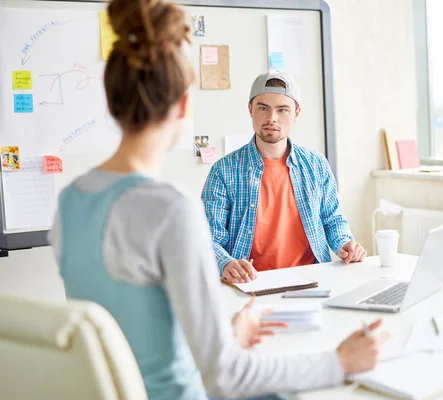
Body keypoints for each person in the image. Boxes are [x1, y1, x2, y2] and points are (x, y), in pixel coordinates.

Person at [48, 0, 385, 399]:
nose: (271, 118)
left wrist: (226, 335)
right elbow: (225, 377)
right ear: (184, 106)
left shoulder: (69, 202)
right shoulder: (172, 209)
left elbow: (141, 339)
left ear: (110, 101)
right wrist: (340, 362)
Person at [202, 70, 366, 284]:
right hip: (251, 283)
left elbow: (332, 220)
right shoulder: (223, 171)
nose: (272, 118)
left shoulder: (316, 165)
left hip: (312, 280)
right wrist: (225, 262)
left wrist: (345, 244)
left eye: (282, 110)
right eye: (263, 108)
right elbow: (208, 237)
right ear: (250, 109)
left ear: (296, 112)